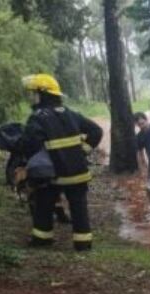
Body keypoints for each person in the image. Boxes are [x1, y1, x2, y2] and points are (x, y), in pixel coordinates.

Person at [21, 73, 103, 251]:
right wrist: (83, 151)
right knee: (79, 208)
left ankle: (42, 240)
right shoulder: (71, 114)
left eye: (33, 93)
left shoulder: (38, 117)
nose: (31, 97)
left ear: (42, 94)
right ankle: (83, 244)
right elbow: (96, 131)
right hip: (79, 173)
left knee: (44, 205)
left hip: (53, 175)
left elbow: (30, 145)